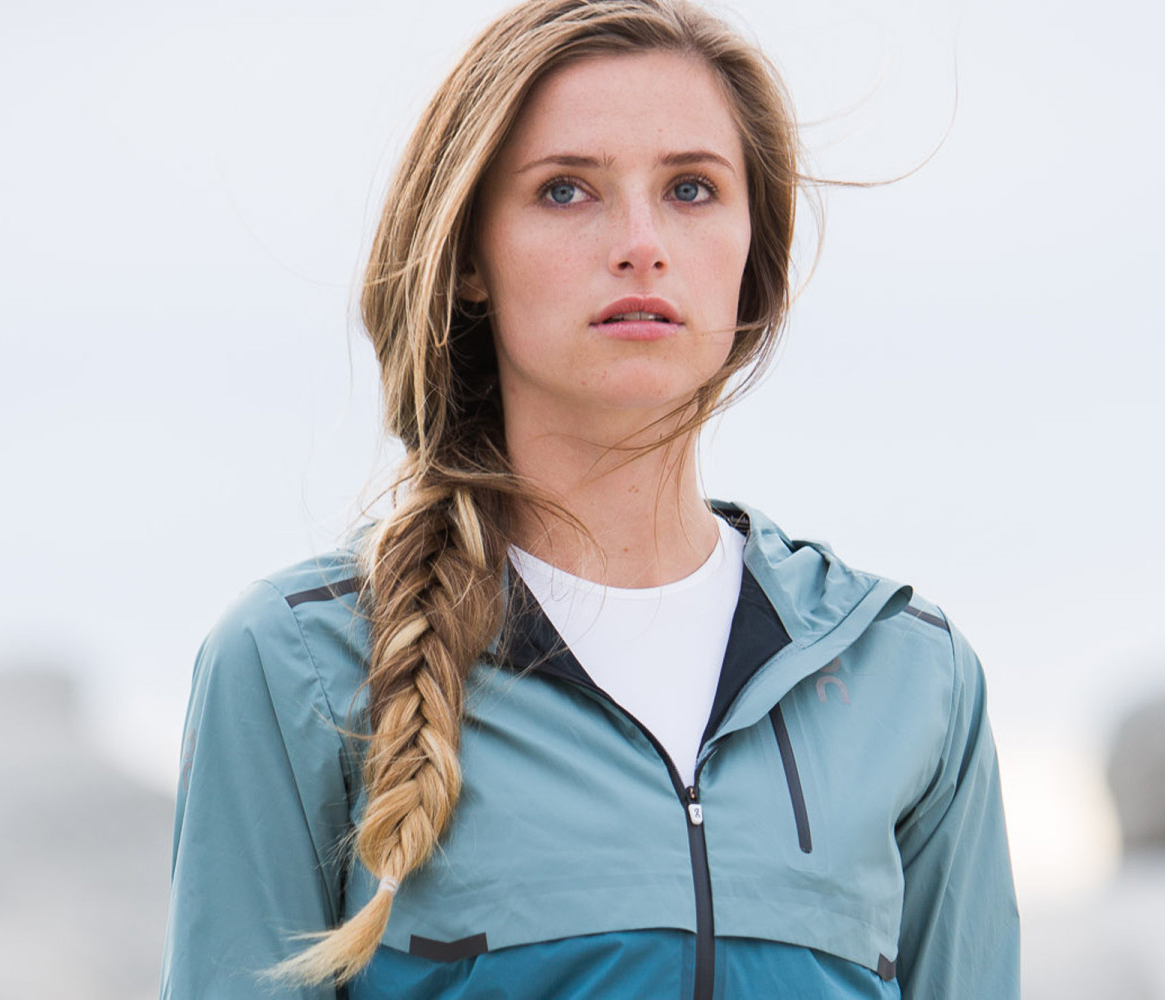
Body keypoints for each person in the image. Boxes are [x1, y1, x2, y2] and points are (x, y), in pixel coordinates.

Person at [159, 0, 1020, 997]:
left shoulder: (910, 677)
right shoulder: (299, 664)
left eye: (692, 188)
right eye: (567, 191)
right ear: (471, 259)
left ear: (752, 257)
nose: (642, 242)